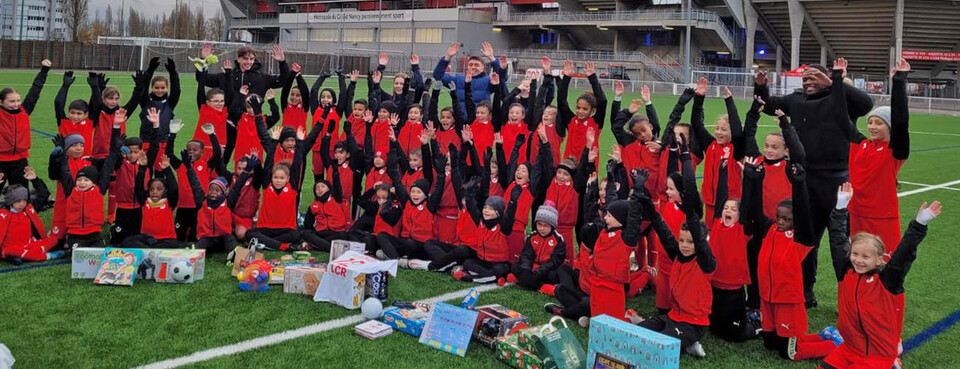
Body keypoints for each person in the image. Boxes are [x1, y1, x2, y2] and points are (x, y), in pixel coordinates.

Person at [753, 58, 874, 308]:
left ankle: (850, 295)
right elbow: (767, 105)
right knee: (807, 240)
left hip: (837, 179)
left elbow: (866, 103)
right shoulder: (796, 99)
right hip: (807, 180)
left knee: (840, 241)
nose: (807, 82)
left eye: (812, 78)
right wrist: (761, 87)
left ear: (824, 79)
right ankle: (806, 291)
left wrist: (833, 82)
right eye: (804, 78)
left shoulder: (839, 98)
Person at [822, 183, 939, 369]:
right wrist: (840, 207)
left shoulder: (887, 281)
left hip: (878, 354)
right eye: (855, 254)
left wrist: (919, 224)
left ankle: (892, 363)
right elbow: (837, 239)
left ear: (879, 260)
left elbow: (903, 255)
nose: (858, 260)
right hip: (849, 348)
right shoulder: (846, 271)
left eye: (866, 256)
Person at [742, 157, 838, 361]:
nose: (781, 222)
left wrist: (799, 183)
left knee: (789, 353)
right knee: (769, 345)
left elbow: (803, 211)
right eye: (779, 217)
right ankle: (821, 336)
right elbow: (755, 211)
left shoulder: (801, 239)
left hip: (787, 303)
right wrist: (753, 180)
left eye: (787, 219)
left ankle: (833, 346)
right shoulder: (771, 229)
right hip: (767, 299)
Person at [846, 58, 912, 258]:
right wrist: (839, 84)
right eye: (870, 122)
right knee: (857, 263)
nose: (872, 127)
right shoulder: (860, 145)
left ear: (889, 127)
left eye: (879, 123)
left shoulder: (894, 151)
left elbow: (901, 121)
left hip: (882, 218)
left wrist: (899, 82)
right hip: (855, 215)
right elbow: (845, 117)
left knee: (883, 267)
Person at [58, 112, 123, 249]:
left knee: (97, 254)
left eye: (86, 180)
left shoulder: (99, 189)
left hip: (94, 234)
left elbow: (108, 164)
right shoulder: (71, 189)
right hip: (75, 234)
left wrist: (116, 133)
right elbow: (64, 170)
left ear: (93, 182)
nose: (81, 183)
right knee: (76, 255)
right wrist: (63, 152)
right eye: (79, 179)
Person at [0, 59, 50, 187]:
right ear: (1, 102)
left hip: (20, 161)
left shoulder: (24, 110)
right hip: (0, 161)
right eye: (11, 101)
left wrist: (44, 71)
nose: (16, 104)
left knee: (20, 195)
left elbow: (35, 90)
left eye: (18, 100)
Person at [0, 168, 63, 262]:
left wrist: (35, 180)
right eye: (18, 201)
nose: (22, 204)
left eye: (24, 201)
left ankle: (22, 257)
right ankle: (47, 256)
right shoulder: (4, 212)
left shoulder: (28, 209)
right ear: (10, 202)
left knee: (54, 240)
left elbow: (44, 194)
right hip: (10, 247)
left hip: (30, 243)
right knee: (13, 251)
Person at [507, 203, 566, 291]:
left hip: (546, 270)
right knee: (515, 266)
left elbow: (555, 261)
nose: (541, 228)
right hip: (533, 267)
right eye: (539, 224)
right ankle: (537, 284)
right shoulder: (532, 236)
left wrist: (538, 272)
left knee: (557, 274)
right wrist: (526, 269)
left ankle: (527, 282)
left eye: (545, 226)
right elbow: (527, 255)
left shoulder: (558, 240)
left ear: (552, 226)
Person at [433, 41, 503, 116]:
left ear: (483, 68)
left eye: (476, 65)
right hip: (460, 121)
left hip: (479, 121)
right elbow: (438, 75)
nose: (473, 67)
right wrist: (447, 57)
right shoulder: (458, 79)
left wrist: (491, 58)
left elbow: (501, 76)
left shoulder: (488, 80)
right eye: (470, 65)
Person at [557, 60, 606, 161]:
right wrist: (566, 77)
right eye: (578, 108)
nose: (580, 111)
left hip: (587, 169)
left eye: (585, 109)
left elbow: (602, 101)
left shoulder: (595, 123)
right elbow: (561, 100)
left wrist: (592, 77)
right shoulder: (571, 120)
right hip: (569, 168)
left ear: (592, 110)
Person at [54, 71, 97, 159]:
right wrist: (65, 85)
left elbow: (97, 104)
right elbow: (58, 103)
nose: (75, 116)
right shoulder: (64, 122)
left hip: (85, 161)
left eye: (79, 114)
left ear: (86, 114)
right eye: (72, 113)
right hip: (66, 162)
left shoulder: (89, 122)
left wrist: (94, 87)